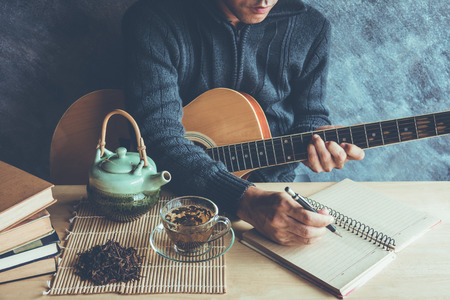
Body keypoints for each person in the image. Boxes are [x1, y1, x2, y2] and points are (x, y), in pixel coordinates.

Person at [122, 0, 365, 246]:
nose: (264, 2)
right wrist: (245, 201)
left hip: (278, 189)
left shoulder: (312, 27)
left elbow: (310, 113)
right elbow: (157, 137)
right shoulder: (154, 19)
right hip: (175, 193)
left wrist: (316, 137)